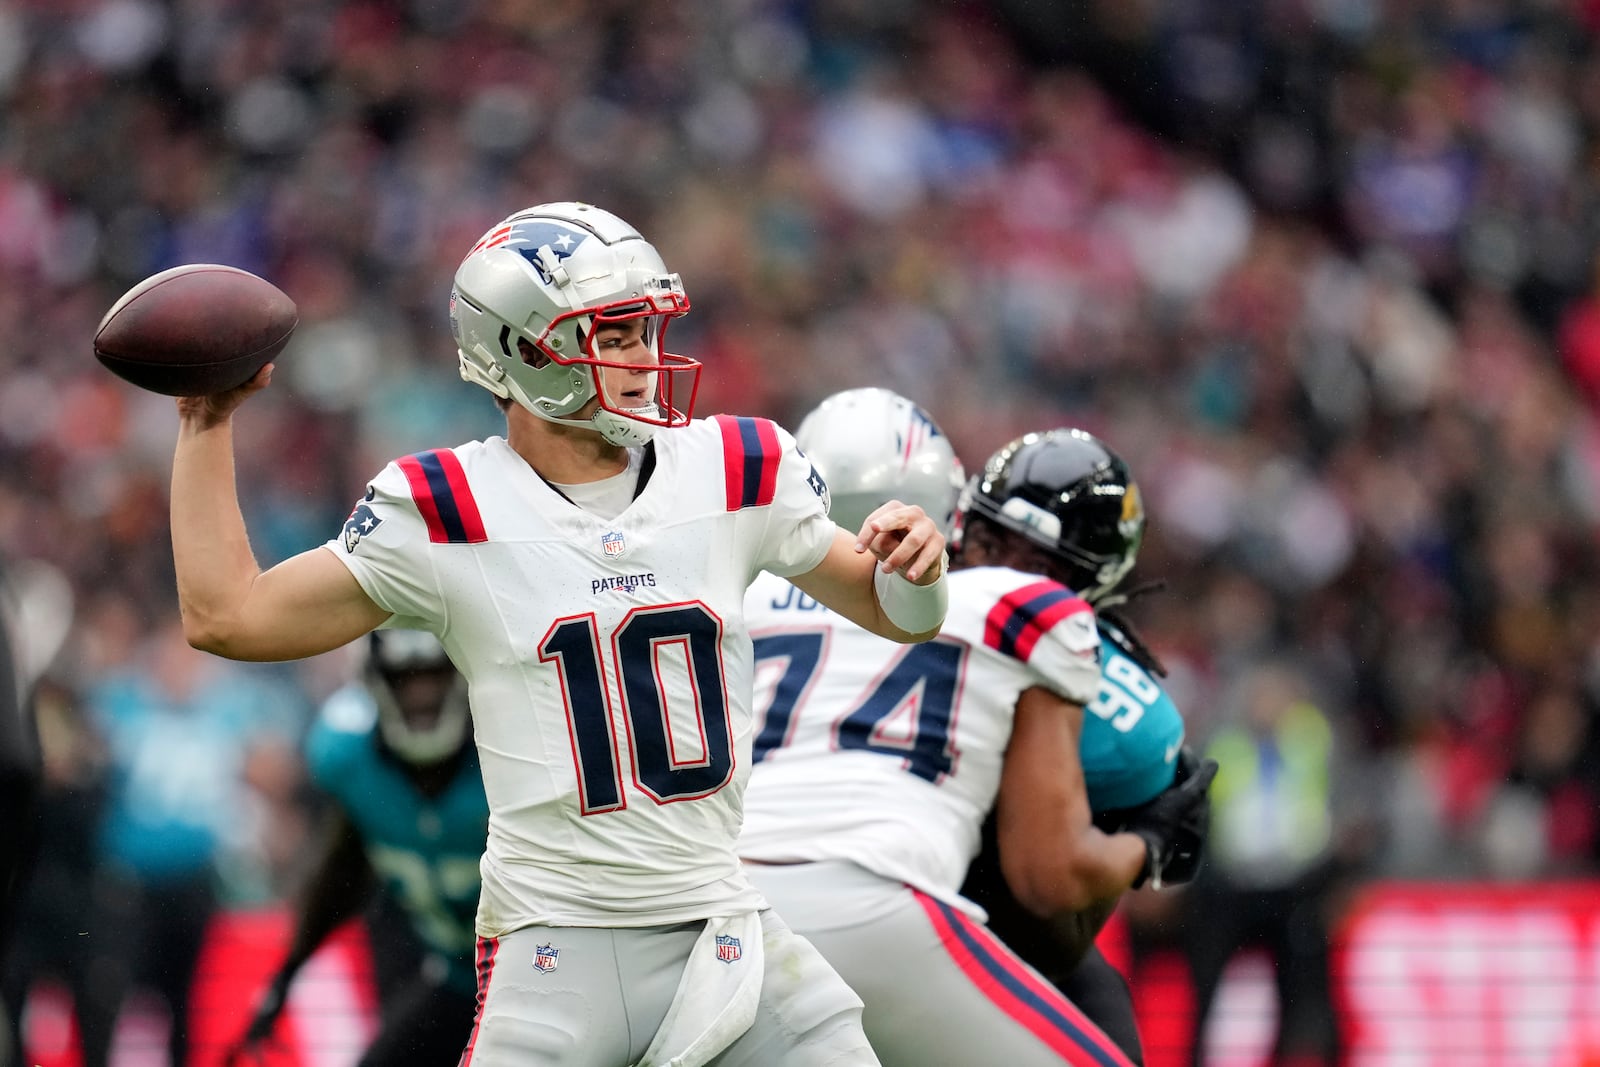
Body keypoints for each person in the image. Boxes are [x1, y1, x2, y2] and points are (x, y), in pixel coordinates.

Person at [166, 201, 950, 1067]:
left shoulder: (735, 466)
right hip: (555, 950)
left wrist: (916, 569)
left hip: (724, 931)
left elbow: (897, 614)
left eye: (644, 331)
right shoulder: (445, 508)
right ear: (522, 350)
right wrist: (207, 422)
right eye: (610, 337)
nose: (644, 361)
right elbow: (227, 617)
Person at [737, 388, 1215, 1067]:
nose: (1009, 566)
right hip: (885, 900)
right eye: (994, 543)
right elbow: (1050, 880)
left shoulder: (743, 596)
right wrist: (1152, 843)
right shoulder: (1029, 612)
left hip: (719, 913)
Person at [225, 629, 486, 1067]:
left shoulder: (506, 754)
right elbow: (342, 872)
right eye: (406, 679)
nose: (421, 696)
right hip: (459, 978)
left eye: (434, 677)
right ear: (374, 682)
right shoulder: (349, 758)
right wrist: (286, 975)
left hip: (540, 978)